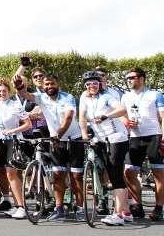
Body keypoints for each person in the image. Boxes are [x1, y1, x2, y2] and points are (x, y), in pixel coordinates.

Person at [21, 73, 85, 221]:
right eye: (46, 85)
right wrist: (19, 86)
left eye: (52, 84)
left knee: (76, 176)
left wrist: (58, 134)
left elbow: (68, 118)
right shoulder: (41, 97)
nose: (49, 87)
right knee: (57, 176)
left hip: (73, 140)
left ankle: (81, 208)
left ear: (57, 84)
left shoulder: (67, 97)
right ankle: (59, 208)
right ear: (43, 87)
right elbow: (25, 95)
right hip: (55, 141)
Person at [78, 70, 130, 225]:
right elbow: (81, 117)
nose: (92, 86)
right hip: (100, 139)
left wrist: (107, 116)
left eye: (95, 83)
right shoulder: (84, 98)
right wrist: (84, 134)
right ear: (85, 86)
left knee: (115, 175)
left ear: (99, 84)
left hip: (116, 138)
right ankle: (126, 212)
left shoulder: (107, 97)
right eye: (89, 84)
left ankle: (118, 214)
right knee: (112, 173)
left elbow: (122, 109)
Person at [120, 67, 164, 221]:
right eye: (127, 78)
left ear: (141, 78)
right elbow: (122, 114)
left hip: (155, 136)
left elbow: (163, 116)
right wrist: (126, 121)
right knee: (128, 172)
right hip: (135, 138)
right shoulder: (125, 97)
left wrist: (163, 136)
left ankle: (159, 208)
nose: (129, 80)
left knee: (159, 174)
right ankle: (137, 205)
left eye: (132, 77)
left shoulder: (155, 94)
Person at [0, 80, 30, 219]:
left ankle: (21, 206)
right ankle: (14, 205)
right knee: (4, 173)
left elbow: (28, 124)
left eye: (4, 91)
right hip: (0, 142)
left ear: (9, 92)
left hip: (13, 141)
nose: (2, 93)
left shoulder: (15, 105)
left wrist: (13, 130)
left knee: (11, 174)